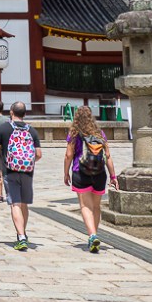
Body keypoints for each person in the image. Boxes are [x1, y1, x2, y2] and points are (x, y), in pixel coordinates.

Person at [63, 106, 118, 253]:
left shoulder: (74, 133)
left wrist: (66, 173)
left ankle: (92, 236)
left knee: (85, 206)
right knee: (96, 207)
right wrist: (113, 176)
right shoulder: (99, 133)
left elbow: (69, 155)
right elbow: (107, 156)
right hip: (99, 173)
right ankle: (95, 234)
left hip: (80, 172)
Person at [0, 101, 42, 251]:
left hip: (10, 170)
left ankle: (20, 236)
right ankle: (23, 233)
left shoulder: (4, 129)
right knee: (24, 203)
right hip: (27, 171)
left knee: (15, 203)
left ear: (11, 112)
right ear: (25, 114)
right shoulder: (31, 131)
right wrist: (28, 161)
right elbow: (38, 154)